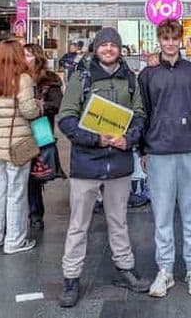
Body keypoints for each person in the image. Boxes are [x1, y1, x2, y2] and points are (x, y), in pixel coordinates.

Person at [56, 27, 149, 307]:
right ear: (96, 48)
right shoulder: (81, 77)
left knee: (118, 221)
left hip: (119, 163)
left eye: (114, 45)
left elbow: (140, 115)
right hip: (87, 163)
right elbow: (66, 117)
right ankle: (71, 278)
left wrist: (128, 138)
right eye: (104, 45)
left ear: (120, 49)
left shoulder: (130, 79)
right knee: (78, 224)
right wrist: (96, 139)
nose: (108, 49)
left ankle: (125, 268)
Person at [138, 19, 191, 298]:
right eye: (165, 38)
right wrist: (142, 149)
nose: (169, 43)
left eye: (174, 38)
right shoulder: (147, 75)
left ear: (181, 39)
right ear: (159, 39)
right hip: (158, 151)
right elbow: (142, 112)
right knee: (162, 215)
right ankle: (165, 270)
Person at [0, 39, 42, 254]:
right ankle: (14, 240)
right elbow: (29, 111)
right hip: (17, 144)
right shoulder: (22, 78)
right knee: (16, 192)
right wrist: (38, 106)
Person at [23, 42, 65, 229]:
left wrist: (40, 106)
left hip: (41, 128)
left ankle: (35, 214)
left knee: (34, 176)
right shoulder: (16, 77)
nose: (25, 59)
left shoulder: (49, 79)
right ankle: (20, 213)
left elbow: (57, 104)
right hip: (19, 130)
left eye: (29, 55)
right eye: (22, 55)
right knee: (20, 175)